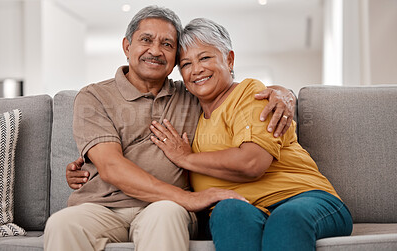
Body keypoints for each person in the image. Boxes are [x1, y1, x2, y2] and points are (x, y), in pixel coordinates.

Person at [46, 5, 296, 251]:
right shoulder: (93, 96)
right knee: (62, 224)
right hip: (102, 206)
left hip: (167, 206)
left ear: (175, 57)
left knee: (165, 215)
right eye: (146, 40)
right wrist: (190, 198)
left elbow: (234, 91)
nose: (155, 50)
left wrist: (284, 94)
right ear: (127, 46)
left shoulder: (192, 93)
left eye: (167, 44)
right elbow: (111, 167)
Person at [148, 18, 353, 251]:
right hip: (244, 208)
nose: (196, 70)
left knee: (286, 219)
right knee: (226, 210)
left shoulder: (250, 94)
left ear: (229, 59)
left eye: (205, 57)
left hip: (303, 198)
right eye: (186, 64)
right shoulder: (190, 110)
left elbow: (252, 163)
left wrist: (186, 158)